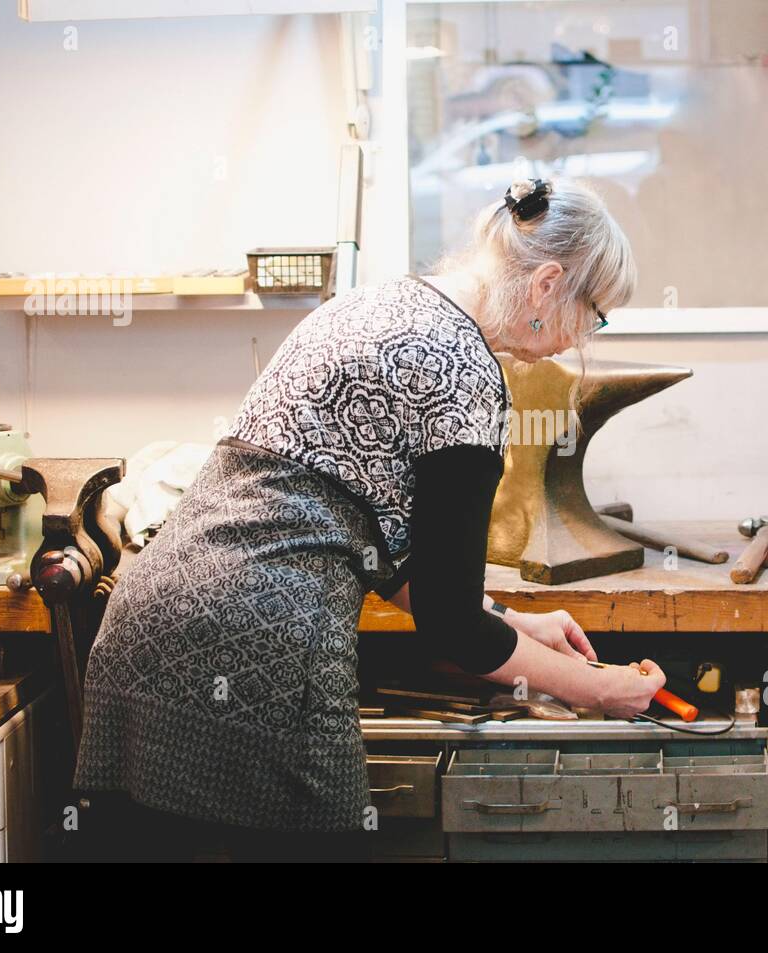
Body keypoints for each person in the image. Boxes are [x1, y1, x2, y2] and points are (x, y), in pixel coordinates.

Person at [73, 177, 665, 859]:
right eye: (594, 315)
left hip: (143, 630)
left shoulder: (372, 304)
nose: (582, 339)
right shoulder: (464, 374)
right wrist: (599, 688)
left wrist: (514, 619)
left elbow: (376, 547)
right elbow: (453, 629)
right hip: (261, 655)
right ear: (547, 283)